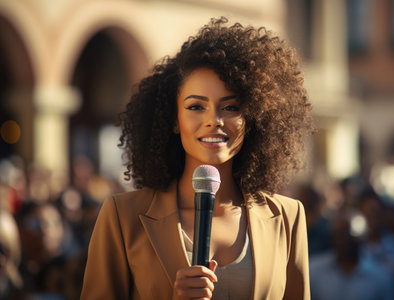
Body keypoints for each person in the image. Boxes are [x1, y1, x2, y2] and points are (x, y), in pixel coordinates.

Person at [81, 17, 313, 300]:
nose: (213, 120)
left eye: (230, 107)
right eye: (196, 106)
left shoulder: (288, 218)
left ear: (251, 118)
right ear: (174, 119)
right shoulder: (122, 217)